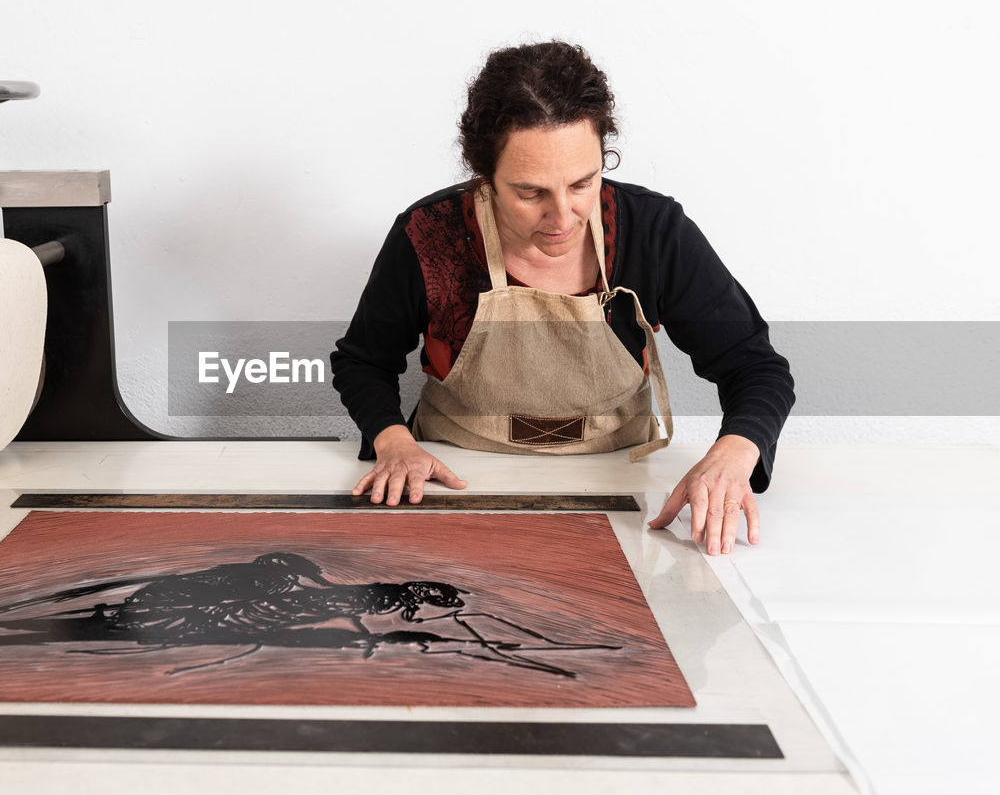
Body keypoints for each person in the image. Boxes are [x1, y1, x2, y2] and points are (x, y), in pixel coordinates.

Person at [330, 41, 794, 556]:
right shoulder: (429, 233)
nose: (563, 217)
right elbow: (363, 362)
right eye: (530, 193)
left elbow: (755, 367)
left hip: (622, 483)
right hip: (456, 478)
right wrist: (393, 443)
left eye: (583, 183)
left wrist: (733, 453)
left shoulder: (655, 231)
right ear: (485, 175)